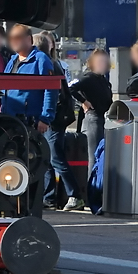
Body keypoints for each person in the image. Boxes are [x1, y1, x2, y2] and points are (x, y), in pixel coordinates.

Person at [34, 32, 82, 211]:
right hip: (54, 119)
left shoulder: (48, 64)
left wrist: (47, 115)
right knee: (46, 158)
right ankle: (48, 197)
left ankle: (74, 195)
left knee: (55, 158)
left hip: (52, 120)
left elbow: (54, 93)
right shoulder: (53, 64)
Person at [1, 23, 58, 134]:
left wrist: (45, 118)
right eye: (11, 38)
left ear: (28, 39)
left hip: (30, 123)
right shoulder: (12, 60)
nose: (13, 41)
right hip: (9, 121)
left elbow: (51, 90)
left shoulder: (41, 59)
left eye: (17, 37)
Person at [70, 48, 113, 175]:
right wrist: (84, 101)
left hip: (104, 119)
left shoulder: (104, 81)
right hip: (93, 119)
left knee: (101, 156)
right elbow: (70, 88)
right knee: (93, 157)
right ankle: (90, 189)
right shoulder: (87, 78)